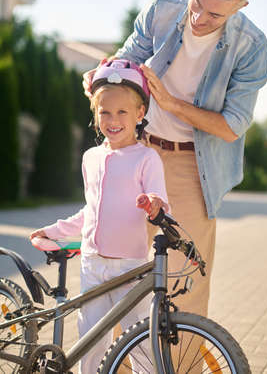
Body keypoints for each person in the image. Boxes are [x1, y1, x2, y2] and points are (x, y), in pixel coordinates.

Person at [83, 0, 267, 319]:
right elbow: (127, 61)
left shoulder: (252, 47)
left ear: (242, 5)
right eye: (198, 4)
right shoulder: (162, 11)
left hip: (191, 166)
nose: (200, 19)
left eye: (215, 15)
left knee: (183, 283)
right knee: (121, 271)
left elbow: (231, 126)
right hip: (138, 150)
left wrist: (169, 103)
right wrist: (103, 74)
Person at [30, 59, 169, 373]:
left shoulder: (147, 158)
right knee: (91, 342)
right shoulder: (91, 157)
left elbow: (161, 200)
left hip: (131, 268)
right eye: (104, 111)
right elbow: (89, 212)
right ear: (95, 114)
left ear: (140, 114)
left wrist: (153, 203)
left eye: (122, 112)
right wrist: (52, 230)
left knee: (142, 344)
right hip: (93, 265)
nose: (113, 119)